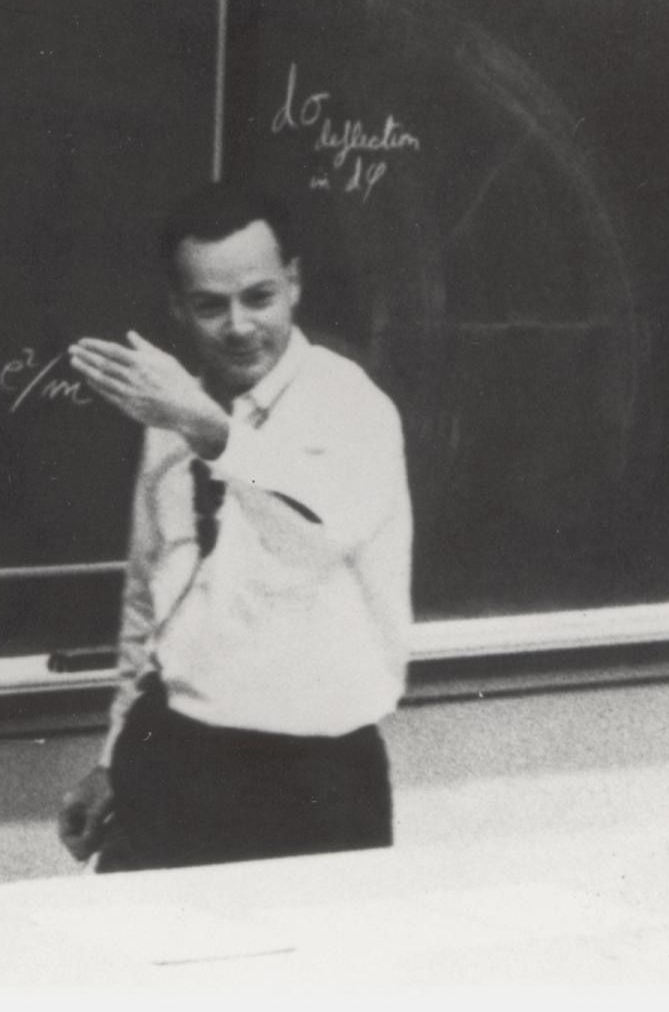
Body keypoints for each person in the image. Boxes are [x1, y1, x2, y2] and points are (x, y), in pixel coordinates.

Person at [56, 181, 411, 872]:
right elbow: (147, 597)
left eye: (259, 297)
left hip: (313, 777)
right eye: (210, 306)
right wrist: (112, 758)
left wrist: (208, 428)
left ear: (295, 284)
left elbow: (315, 531)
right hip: (173, 752)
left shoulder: (351, 405)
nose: (239, 326)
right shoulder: (176, 412)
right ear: (177, 308)